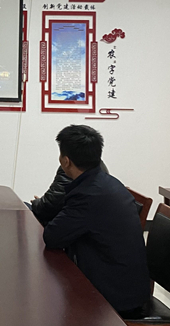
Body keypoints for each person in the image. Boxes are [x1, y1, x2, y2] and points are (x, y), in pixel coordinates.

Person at [43, 125, 150, 316]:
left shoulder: (87, 195)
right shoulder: (106, 182)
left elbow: (52, 236)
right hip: (128, 286)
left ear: (66, 161)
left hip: (114, 298)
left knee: (47, 303)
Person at [30, 161, 109, 226]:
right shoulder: (99, 167)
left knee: (28, 210)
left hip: (73, 228)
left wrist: (36, 202)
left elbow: (48, 206)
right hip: (93, 226)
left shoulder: (70, 166)